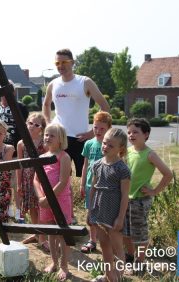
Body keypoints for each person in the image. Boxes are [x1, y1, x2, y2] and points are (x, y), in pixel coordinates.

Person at [43, 49, 110, 224]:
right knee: (60, 180)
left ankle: (96, 219)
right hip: (60, 139)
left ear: (72, 63)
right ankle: (68, 216)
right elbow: (46, 104)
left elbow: (104, 106)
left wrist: (92, 132)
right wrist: (49, 123)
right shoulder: (53, 84)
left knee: (90, 181)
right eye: (57, 63)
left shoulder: (84, 82)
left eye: (64, 62)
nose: (61, 66)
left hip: (81, 139)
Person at [123, 118, 173, 266]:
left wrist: (154, 191)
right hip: (125, 199)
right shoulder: (127, 151)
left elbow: (168, 174)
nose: (131, 135)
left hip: (139, 200)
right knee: (125, 232)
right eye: (129, 132)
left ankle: (140, 261)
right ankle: (130, 257)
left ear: (146, 134)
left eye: (135, 132)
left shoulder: (150, 154)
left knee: (139, 233)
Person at [87, 128, 130, 282]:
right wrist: (90, 210)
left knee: (117, 247)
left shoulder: (122, 169)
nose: (105, 147)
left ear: (121, 149)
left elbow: (125, 195)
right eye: (104, 143)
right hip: (99, 210)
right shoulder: (97, 164)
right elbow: (93, 188)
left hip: (114, 213)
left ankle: (118, 278)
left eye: (111, 145)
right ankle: (108, 276)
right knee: (104, 244)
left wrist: (120, 217)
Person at [33, 123, 73, 281]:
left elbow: (63, 182)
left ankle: (64, 266)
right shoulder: (41, 158)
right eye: (46, 134)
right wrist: (40, 198)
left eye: (52, 135)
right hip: (44, 200)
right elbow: (36, 180)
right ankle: (54, 262)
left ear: (61, 139)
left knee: (62, 234)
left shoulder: (64, 157)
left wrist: (48, 198)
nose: (47, 137)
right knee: (50, 232)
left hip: (60, 200)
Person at [80, 111, 112, 253]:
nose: (98, 131)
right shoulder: (88, 143)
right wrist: (82, 184)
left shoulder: (110, 145)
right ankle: (92, 240)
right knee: (91, 213)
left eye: (102, 129)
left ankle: (107, 242)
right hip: (89, 185)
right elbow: (85, 165)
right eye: (95, 127)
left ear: (108, 129)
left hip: (105, 186)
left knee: (105, 215)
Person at [16, 112, 47, 245]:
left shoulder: (45, 143)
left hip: (40, 180)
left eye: (36, 125)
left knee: (42, 207)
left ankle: (43, 237)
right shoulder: (21, 143)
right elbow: (19, 165)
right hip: (27, 180)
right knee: (32, 208)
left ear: (42, 128)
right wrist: (18, 184)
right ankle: (36, 234)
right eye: (30, 123)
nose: (32, 126)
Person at [0, 80, 29, 151]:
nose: (5, 94)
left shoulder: (21, 107)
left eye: (8, 91)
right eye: (2, 91)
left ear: (14, 92)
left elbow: (27, 128)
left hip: (15, 149)